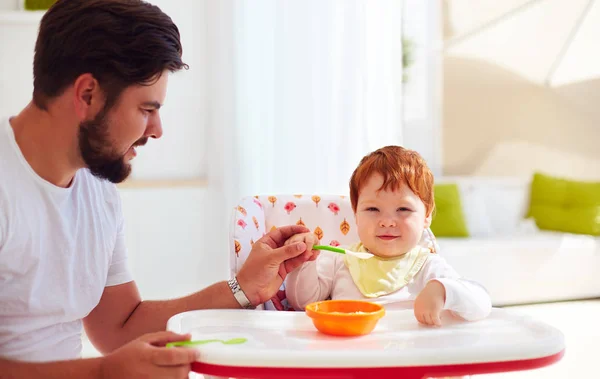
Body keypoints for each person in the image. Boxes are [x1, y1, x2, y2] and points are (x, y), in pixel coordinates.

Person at [0, 1, 317, 378]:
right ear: (87, 95)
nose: (157, 129)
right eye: (147, 109)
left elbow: (118, 327)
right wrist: (102, 373)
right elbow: (109, 359)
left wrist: (244, 288)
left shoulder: (97, 192)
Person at [284, 145, 492, 326]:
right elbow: (303, 304)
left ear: (426, 216)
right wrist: (304, 261)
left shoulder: (427, 266)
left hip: (408, 356)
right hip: (352, 357)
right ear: (355, 214)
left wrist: (443, 291)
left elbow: (481, 303)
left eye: (403, 209)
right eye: (373, 209)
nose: (387, 221)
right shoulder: (340, 258)